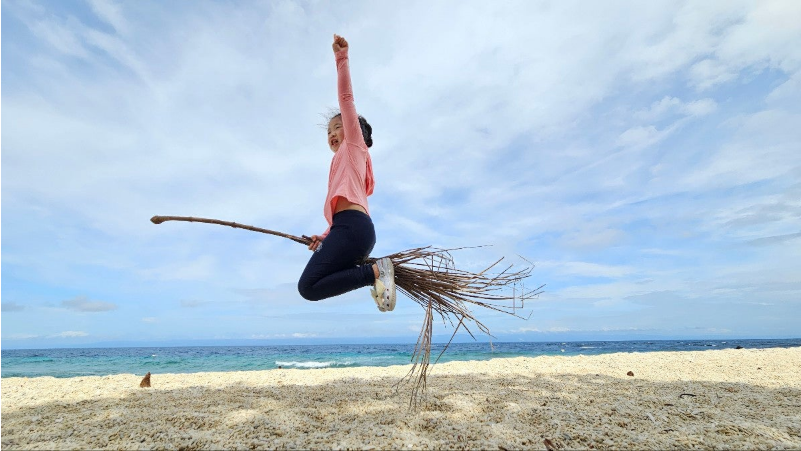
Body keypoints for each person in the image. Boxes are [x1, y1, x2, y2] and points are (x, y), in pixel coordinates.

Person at [297, 34, 396, 312]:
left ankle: (376, 273)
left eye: (337, 127)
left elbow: (346, 99)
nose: (332, 133)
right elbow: (343, 204)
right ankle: (375, 276)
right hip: (349, 228)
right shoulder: (343, 164)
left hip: (353, 228)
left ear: (353, 130)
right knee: (310, 287)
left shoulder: (354, 145)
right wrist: (325, 236)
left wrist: (341, 58)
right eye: (328, 132)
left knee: (308, 287)